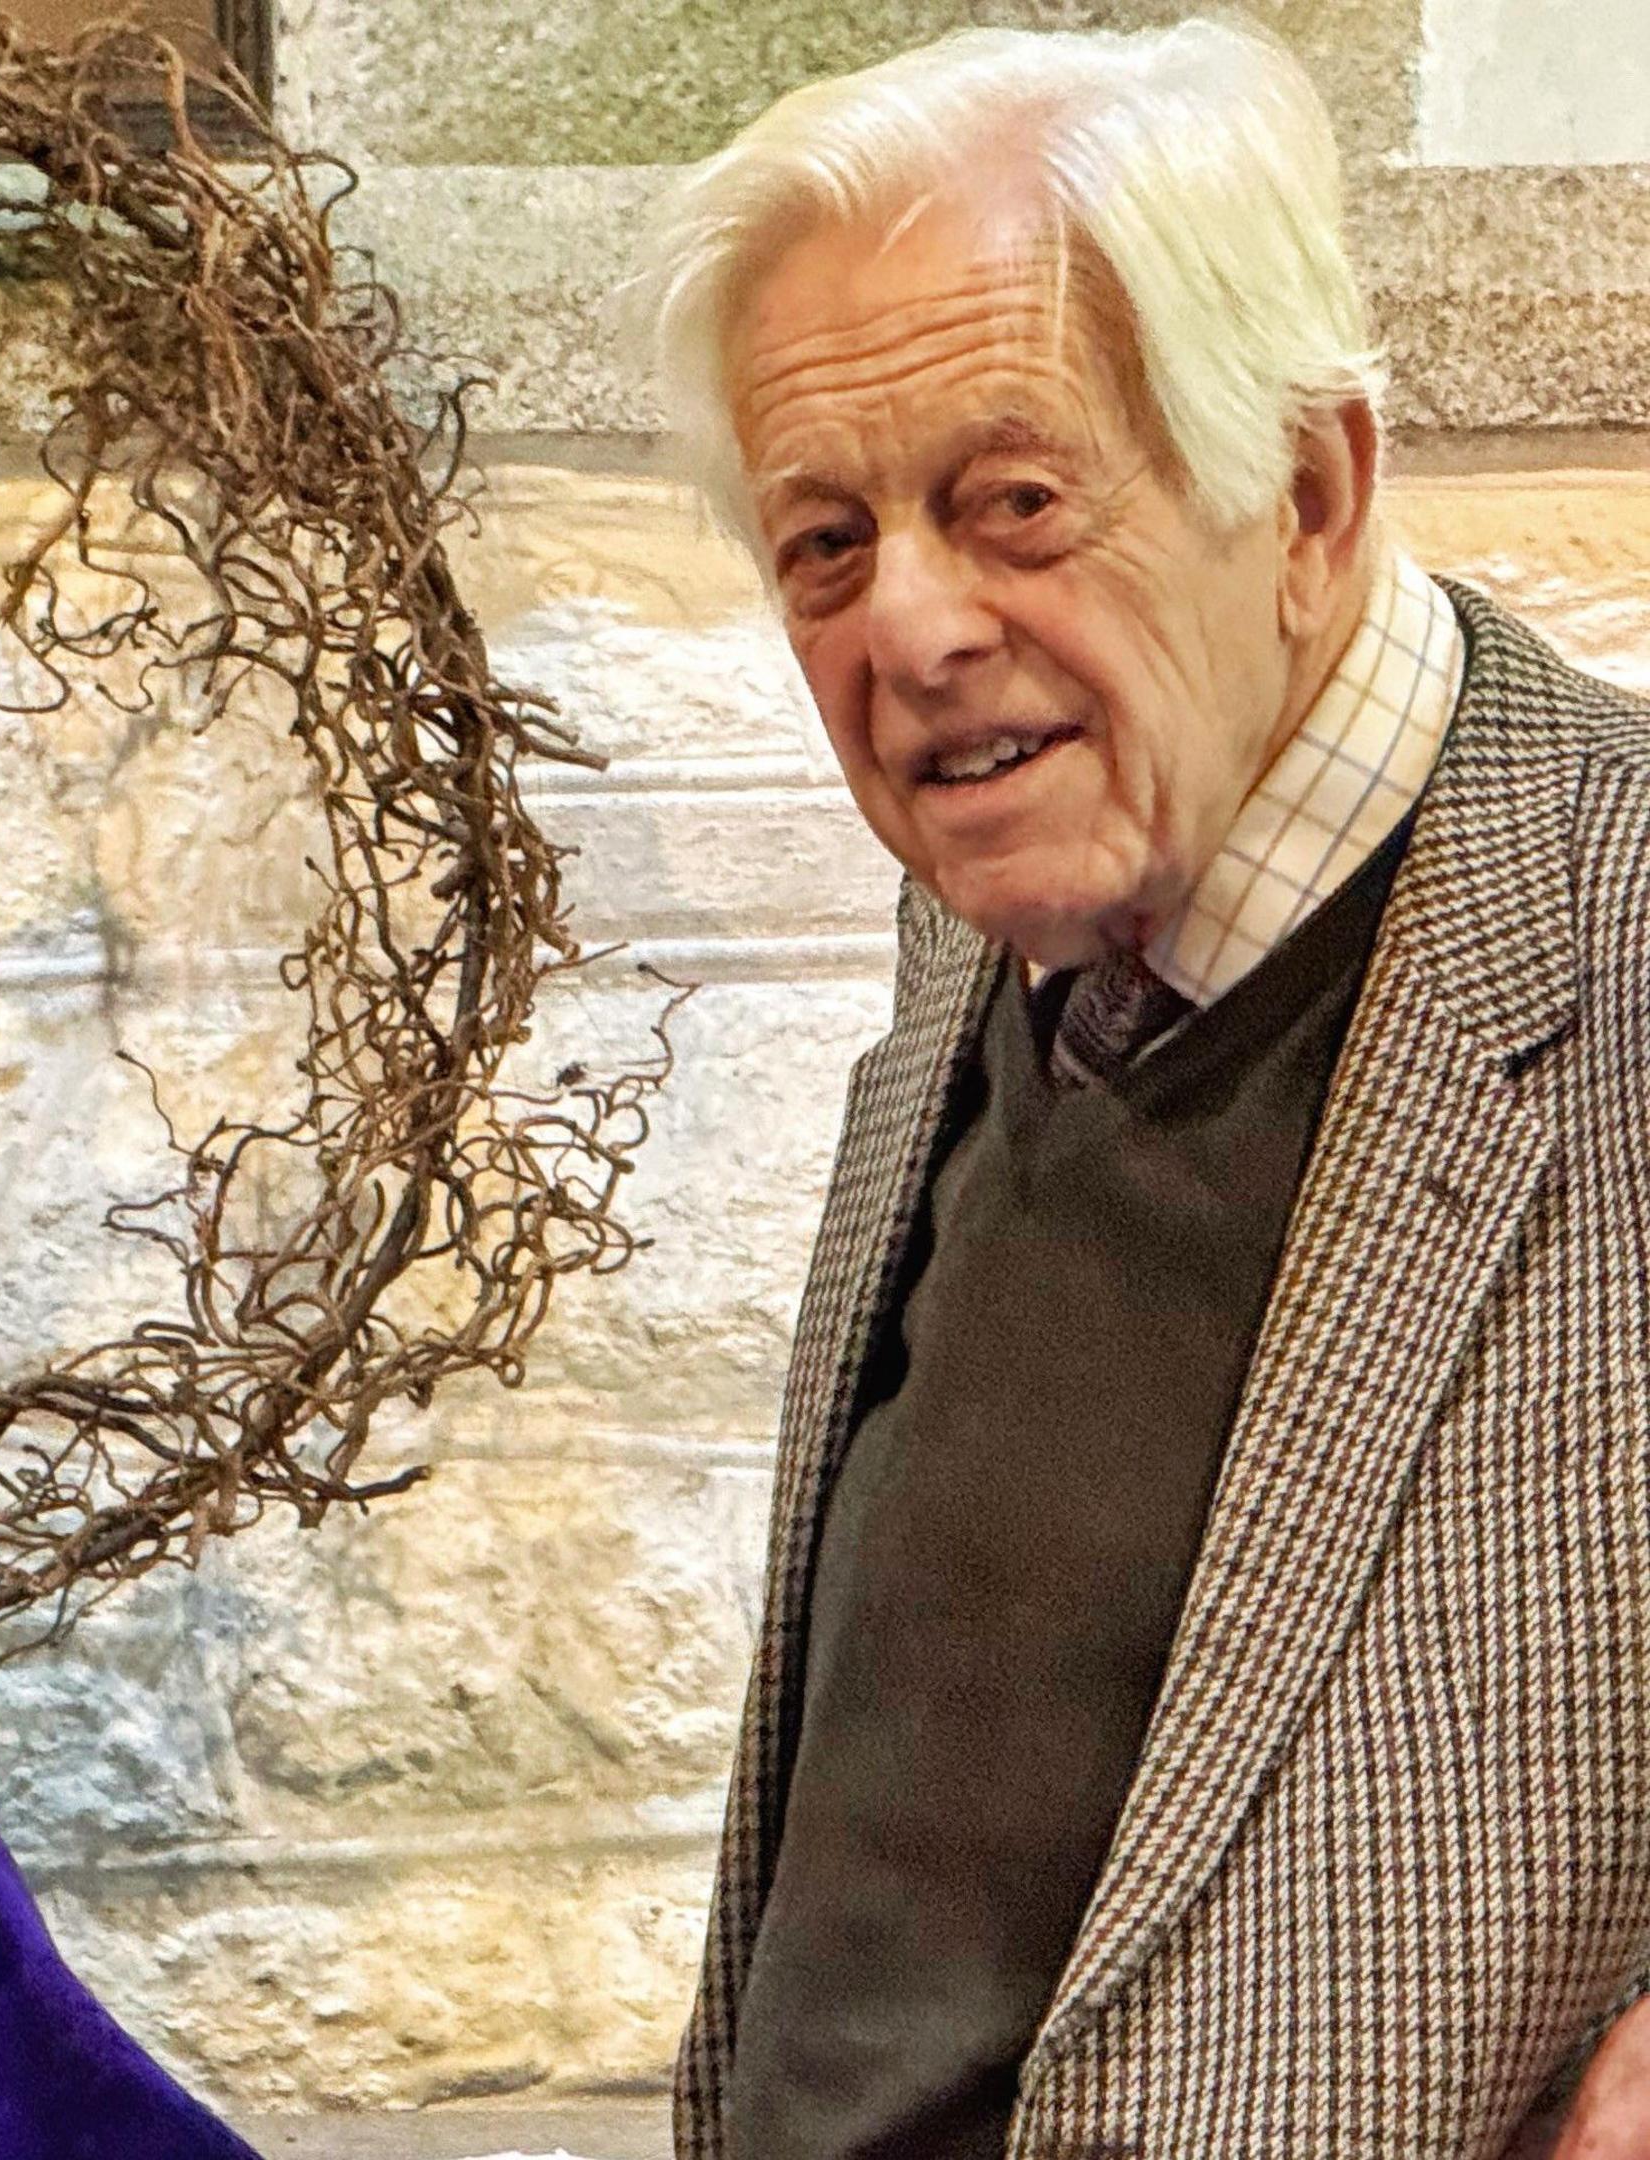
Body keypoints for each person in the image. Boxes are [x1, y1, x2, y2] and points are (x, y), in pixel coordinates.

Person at [620, 21, 1650, 2157]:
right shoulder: (1002, 928)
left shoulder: (1612, 927)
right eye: (826, 542)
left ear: (1307, 487)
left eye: (1013, 501)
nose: (911, 626)